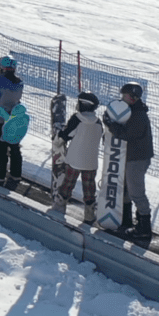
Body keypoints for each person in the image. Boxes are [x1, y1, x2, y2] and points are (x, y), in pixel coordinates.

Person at [103, 82, 155, 240]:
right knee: (125, 187)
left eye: (125, 96)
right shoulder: (131, 110)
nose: (122, 98)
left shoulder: (138, 115)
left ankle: (144, 227)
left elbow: (126, 134)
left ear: (133, 98)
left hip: (137, 159)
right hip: (132, 156)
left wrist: (111, 124)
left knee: (136, 192)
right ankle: (126, 220)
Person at [53, 91, 103, 221]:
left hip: (74, 159)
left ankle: (60, 206)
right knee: (89, 187)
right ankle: (90, 213)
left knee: (68, 183)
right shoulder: (98, 122)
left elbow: (67, 134)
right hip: (91, 161)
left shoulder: (77, 119)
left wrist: (58, 141)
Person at [0, 57, 26, 182]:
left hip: (1, 117)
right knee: (14, 146)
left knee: (2, 147)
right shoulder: (19, 82)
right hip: (14, 117)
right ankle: (16, 173)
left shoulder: (0, 81)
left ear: (2, 67)